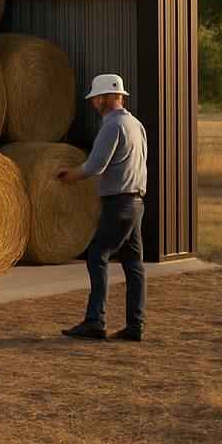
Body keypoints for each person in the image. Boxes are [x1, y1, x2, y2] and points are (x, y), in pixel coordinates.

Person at [54, 73, 147, 342]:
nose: (94, 103)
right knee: (133, 264)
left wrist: (70, 175)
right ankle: (135, 326)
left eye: (96, 98)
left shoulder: (111, 126)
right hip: (136, 202)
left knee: (97, 255)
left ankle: (95, 321)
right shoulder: (135, 124)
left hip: (118, 203)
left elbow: (95, 166)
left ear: (106, 97)